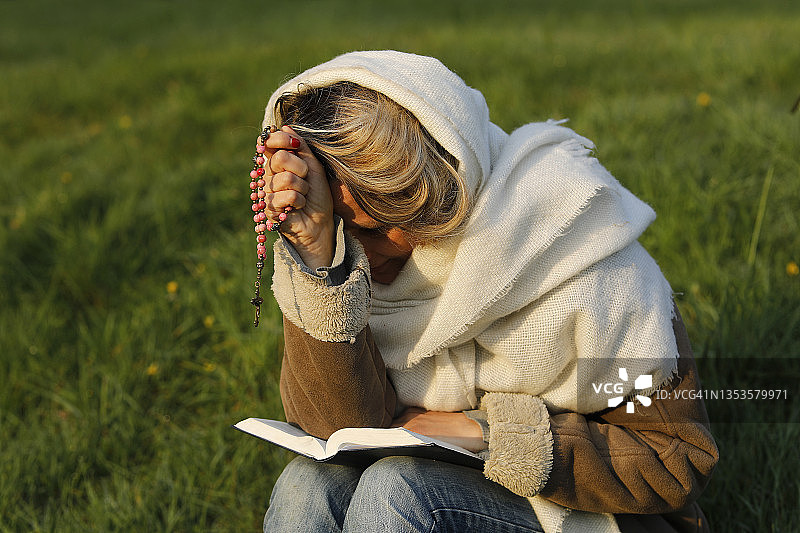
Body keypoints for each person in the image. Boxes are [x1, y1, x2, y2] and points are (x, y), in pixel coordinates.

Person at [249, 51, 718, 533]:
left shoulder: (581, 257)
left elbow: (676, 456)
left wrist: (491, 433)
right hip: (431, 495)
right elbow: (338, 429)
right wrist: (319, 258)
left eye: (376, 230)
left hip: (597, 519)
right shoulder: (341, 260)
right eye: (340, 230)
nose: (362, 258)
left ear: (438, 198)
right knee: (307, 484)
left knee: (400, 491)